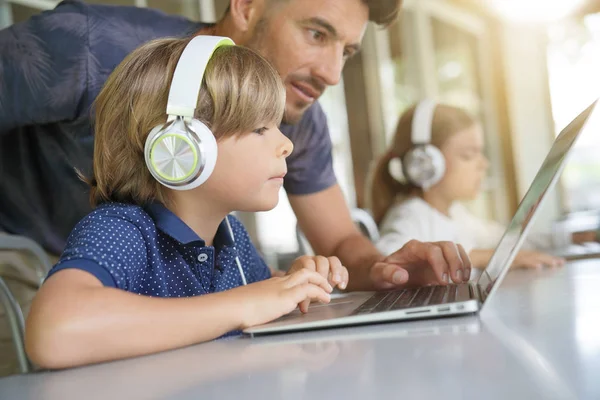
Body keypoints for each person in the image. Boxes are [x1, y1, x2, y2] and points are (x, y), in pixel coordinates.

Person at [0, 0, 470, 295]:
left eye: (345, 51)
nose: (331, 73)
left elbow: (341, 243)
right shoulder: (87, 49)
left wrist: (388, 269)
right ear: (246, 6)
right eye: (317, 34)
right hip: (22, 254)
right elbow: (62, 330)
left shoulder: (297, 113)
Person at [25, 36, 350, 369]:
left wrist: (294, 282)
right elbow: (54, 331)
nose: (287, 146)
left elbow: (259, 294)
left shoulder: (230, 235)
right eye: (260, 128)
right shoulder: (125, 230)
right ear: (179, 146)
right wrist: (243, 304)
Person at [369, 100, 593, 271]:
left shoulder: (456, 214)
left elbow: (506, 239)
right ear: (425, 163)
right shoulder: (410, 215)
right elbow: (384, 261)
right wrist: (488, 257)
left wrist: (575, 238)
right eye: (468, 155)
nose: (483, 164)